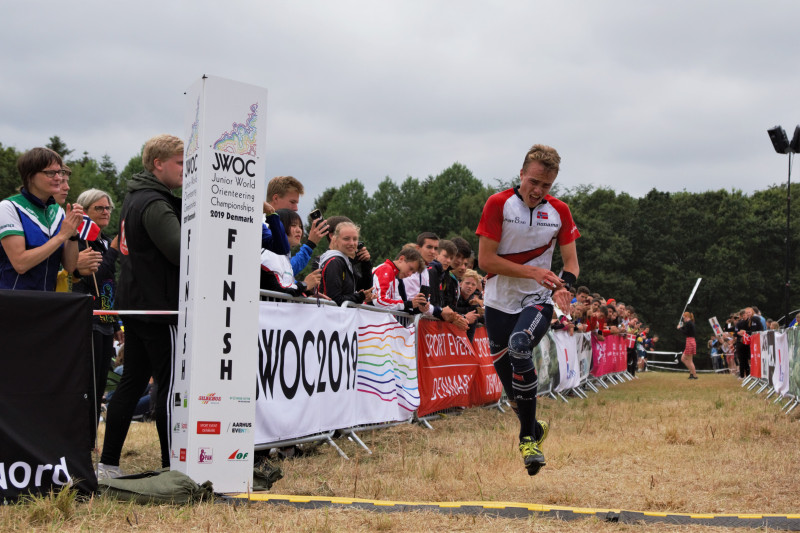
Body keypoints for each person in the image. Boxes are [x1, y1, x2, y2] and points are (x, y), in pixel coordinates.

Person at [476, 143, 580, 476]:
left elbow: (572, 264)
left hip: (536, 299)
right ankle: (533, 428)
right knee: (512, 389)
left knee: (521, 347)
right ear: (521, 174)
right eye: (533, 182)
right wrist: (534, 270)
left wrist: (564, 286)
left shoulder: (560, 211)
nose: (537, 190)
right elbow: (486, 260)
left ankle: (527, 442)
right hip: (497, 301)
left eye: (546, 185)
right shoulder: (498, 204)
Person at [99, 134, 183, 478]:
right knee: (169, 385)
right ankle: (170, 467)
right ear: (157, 163)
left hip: (137, 304)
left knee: (131, 382)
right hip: (157, 307)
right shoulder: (153, 201)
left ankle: (108, 464)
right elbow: (181, 251)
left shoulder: (136, 196)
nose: (186, 169)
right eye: (180, 162)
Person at [73, 188, 124, 448]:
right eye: (99, 208)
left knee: (100, 386)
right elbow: (93, 278)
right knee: (87, 388)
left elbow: (108, 284)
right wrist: (114, 251)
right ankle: (80, 444)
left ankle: (90, 443)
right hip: (86, 321)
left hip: (105, 323)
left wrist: (115, 321)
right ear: (86, 210)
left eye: (108, 208)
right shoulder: (83, 238)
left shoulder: (103, 240)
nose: (105, 212)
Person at [0, 147, 84, 291]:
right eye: (50, 173)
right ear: (30, 176)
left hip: (47, 301)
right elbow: (20, 264)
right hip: (13, 302)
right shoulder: (9, 207)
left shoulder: (58, 212)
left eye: (59, 172)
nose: (58, 177)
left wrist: (73, 234)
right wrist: (61, 236)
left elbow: (69, 266)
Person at [260, 209, 322, 297]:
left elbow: (288, 287)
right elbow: (280, 290)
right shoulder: (270, 254)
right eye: (293, 225)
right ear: (279, 227)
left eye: (300, 226)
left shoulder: (284, 257)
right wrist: (305, 285)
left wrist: (307, 293)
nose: (299, 230)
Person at [318, 221, 374, 305]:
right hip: (329, 315)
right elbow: (334, 299)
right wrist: (360, 296)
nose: (351, 243)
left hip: (340, 315)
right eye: (346, 239)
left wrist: (365, 263)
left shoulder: (346, 262)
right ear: (335, 240)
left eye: (355, 239)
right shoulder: (335, 262)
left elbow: (365, 288)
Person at [372, 246, 429, 312]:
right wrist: (409, 304)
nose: (410, 274)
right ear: (401, 259)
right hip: (372, 319)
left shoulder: (394, 276)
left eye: (413, 272)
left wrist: (416, 307)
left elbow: (397, 305)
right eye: (410, 268)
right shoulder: (386, 269)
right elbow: (379, 301)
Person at [678, 311, 698, 379]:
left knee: (689, 360)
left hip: (690, 341)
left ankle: (694, 375)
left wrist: (679, 328)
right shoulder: (690, 323)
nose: (683, 318)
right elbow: (685, 329)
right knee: (683, 359)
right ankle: (691, 374)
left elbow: (685, 332)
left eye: (684, 317)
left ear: (686, 317)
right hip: (691, 341)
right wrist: (681, 327)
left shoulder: (689, 323)